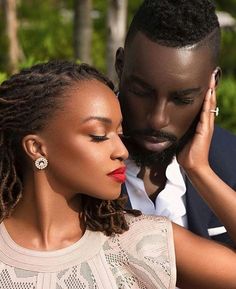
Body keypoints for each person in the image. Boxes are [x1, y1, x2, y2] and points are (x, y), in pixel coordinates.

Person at [1, 60, 236, 288]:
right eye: (99, 135)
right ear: (37, 148)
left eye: (120, 133)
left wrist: (199, 169)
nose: (122, 151)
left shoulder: (142, 242)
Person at [115, 0, 236, 247]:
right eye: (141, 91)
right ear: (120, 66)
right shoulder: (74, 154)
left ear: (213, 83)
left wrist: (200, 172)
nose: (158, 119)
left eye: (182, 99)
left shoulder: (230, 159)